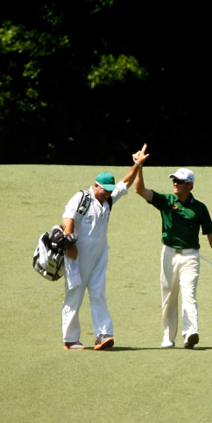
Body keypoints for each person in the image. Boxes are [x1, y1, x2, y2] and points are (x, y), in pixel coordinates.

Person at [133, 145, 212, 349]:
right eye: (174, 180)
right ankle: (168, 337)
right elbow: (139, 190)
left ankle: (191, 333)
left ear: (190, 185)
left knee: (189, 294)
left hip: (191, 256)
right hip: (169, 254)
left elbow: (211, 233)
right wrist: (138, 166)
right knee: (169, 296)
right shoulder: (166, 201)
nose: (175, 183)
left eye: (180, 181)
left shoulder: (199, 208)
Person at [60, 150, 144, 351]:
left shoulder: (108, 200)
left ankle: (103, 335)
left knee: (98, 293)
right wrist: (70, 244)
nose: (108, 193)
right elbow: (68, 219)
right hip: (77, 254)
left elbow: (125, 182)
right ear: (95, 186)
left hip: (99, 255)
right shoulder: (82, 198)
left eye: (109, 190)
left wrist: (137, 164)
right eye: (104, 189)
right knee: (74, 295)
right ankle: (70, 340)